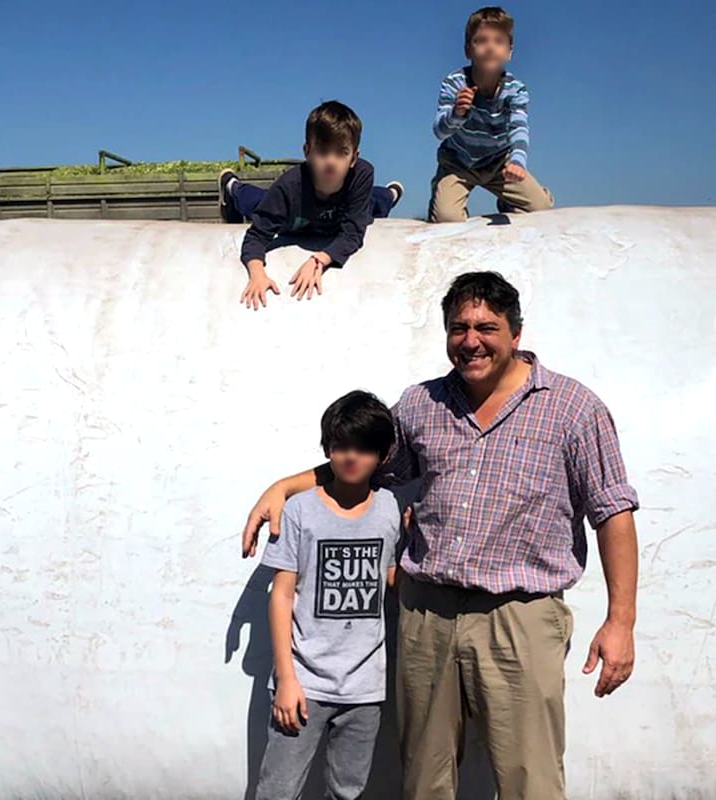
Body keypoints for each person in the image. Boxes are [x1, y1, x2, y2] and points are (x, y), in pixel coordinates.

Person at [242, 271, 640, 800]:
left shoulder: (573, 409)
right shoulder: (421, 405)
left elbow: (613, 511)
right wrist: (289, 485)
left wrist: (621, 621)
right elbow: (364, 464)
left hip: (518, 618)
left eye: (486, 327)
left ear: (516, 334)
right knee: (424, 780)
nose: (470, 340)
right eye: (458, 328)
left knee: (531, 779)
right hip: (426, 615)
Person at [251, 390, 403, 800]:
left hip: (365, 689)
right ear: (327, 449)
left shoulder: (389, 508)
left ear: (383, 455)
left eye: (364, 448)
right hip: (303, 684)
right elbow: (281, 596)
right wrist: (286, 678)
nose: (352, 457)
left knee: (347, 792)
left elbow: (391, 582)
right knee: (277, 790)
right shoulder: (300, 511)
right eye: (341, 446)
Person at [219, 100, 404, 310]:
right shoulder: (288, 187)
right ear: (307, 151)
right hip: (296, 218)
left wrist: (319, 260)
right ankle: (233, 187)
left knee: (374, 204)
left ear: (354, 157)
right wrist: (257, 274)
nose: (331, 162)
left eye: (341, 152)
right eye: (323, 151)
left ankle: (391, 193)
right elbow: (256, 236)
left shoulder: (361, 174)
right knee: (258, 202)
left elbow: (353, 232)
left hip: (342, 210)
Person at [428, 7, 554, 223]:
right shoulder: (454, 83)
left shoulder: (516, 89)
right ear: (468, 50)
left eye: (498, 41)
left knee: (541, 208)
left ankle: (508, 201)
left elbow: (519, 128)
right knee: (446, 217)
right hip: (459, 162)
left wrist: (517, 162)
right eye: (481, 40)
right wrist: (457, 114)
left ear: (509, 51)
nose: (490, 48)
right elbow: (439, 132)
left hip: (499, 162)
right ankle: (441, 194)